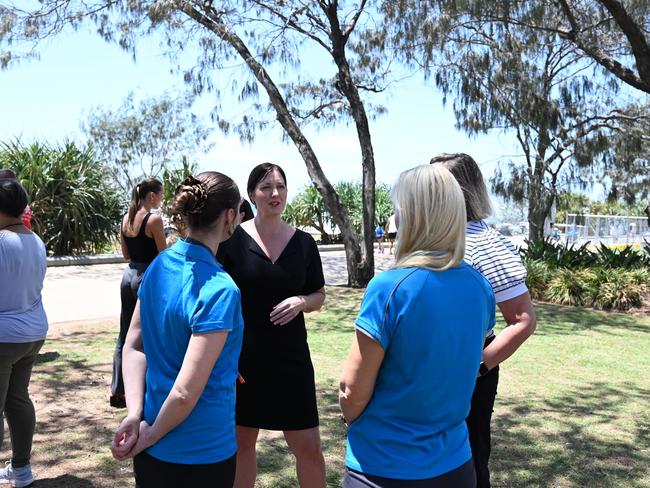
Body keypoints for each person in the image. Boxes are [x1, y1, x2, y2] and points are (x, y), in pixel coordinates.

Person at [339, 164, 495, 487]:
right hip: (455, 466)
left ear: (412, 216)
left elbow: (351, 392)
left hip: (382, 466)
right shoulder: (481, 288)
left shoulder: (388, 289)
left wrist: (349, 417)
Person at [110, 172, 244, 487]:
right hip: (201, 453)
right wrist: (149, 435)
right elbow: (184, 393)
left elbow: (133, 346)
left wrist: (135, 414)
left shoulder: (158, 266)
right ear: (228, 217)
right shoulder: (221, 289)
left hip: (151, 447)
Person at [217, 163, 327, 488]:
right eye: (266, 187)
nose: (274, 193)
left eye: (280, 186)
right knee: (241, 442)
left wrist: (302, 302)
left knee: (308, 446)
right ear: (252, 194)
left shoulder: (304, 243)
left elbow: (319, 294)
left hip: (291, 360)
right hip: (242, 360)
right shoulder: (231, 241)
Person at [431, 153, 537, 488]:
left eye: (436, 183)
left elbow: (523, 320)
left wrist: (477, 366)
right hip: (429, 366)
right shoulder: (435, 239)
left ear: (460, 189)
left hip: (468, 368)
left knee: (470, 460)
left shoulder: (485, 245)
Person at [0, 178, 48, 488]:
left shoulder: (2, 241)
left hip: (4, 336)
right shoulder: (36, 240)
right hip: (33, 333)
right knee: (17, 399)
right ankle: (21, 468)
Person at [110, 178, 167, 408]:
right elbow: (163, 255)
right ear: (152, 196)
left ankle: (119, 390)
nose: (162, 199)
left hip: (128, 276)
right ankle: (143, 389)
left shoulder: (126, 219)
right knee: (147, 333)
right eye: (161, 195)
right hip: (148, 277)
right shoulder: (154, 219)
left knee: (125, 332)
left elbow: (125, 254)